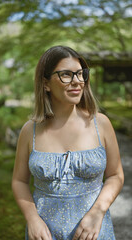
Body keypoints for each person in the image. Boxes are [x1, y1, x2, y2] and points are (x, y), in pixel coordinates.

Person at [12, 45, 124, 240]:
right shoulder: (30, 131)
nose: (77, 81)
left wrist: (98, 212)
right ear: (45, 83)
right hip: (44, 235)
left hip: (94, 233)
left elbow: (115, 175)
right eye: (66, 74)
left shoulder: (101, 124)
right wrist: (32, 219)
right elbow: (19, 181)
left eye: (81, 74)